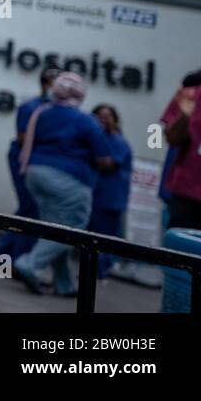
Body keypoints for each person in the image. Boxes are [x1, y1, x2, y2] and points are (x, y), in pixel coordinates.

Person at [11, 72, 115, 297]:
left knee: (57, 228)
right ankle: (30, 263)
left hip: (35, 173)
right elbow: (104, 158)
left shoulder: (41, 112)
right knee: (73, 228)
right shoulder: (85, 120)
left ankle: (64, 283)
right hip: (69, 179)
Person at [0, 67, 58, 264]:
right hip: (23, 159)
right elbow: (23, 139)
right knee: (30, 209)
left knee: (28, 210)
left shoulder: (56, 109)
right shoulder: (31, 107)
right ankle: (14, 259)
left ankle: (3, 258)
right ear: (45, 83)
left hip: (37, 161)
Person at [160, 57, 201, 230]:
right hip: (187, 193)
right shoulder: (190, 95)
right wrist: (185, 117)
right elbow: (172, 138)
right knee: (180, 250)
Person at [87, 104, 132, 278]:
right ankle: (95, 271)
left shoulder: (117, 140)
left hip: (109, 197)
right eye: (98, 116)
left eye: (107, 116)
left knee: (103, 236)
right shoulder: (102, 138)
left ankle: (99, 272)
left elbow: (110, 164)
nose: (103, 120)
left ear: (115, 119)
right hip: (100, 195)